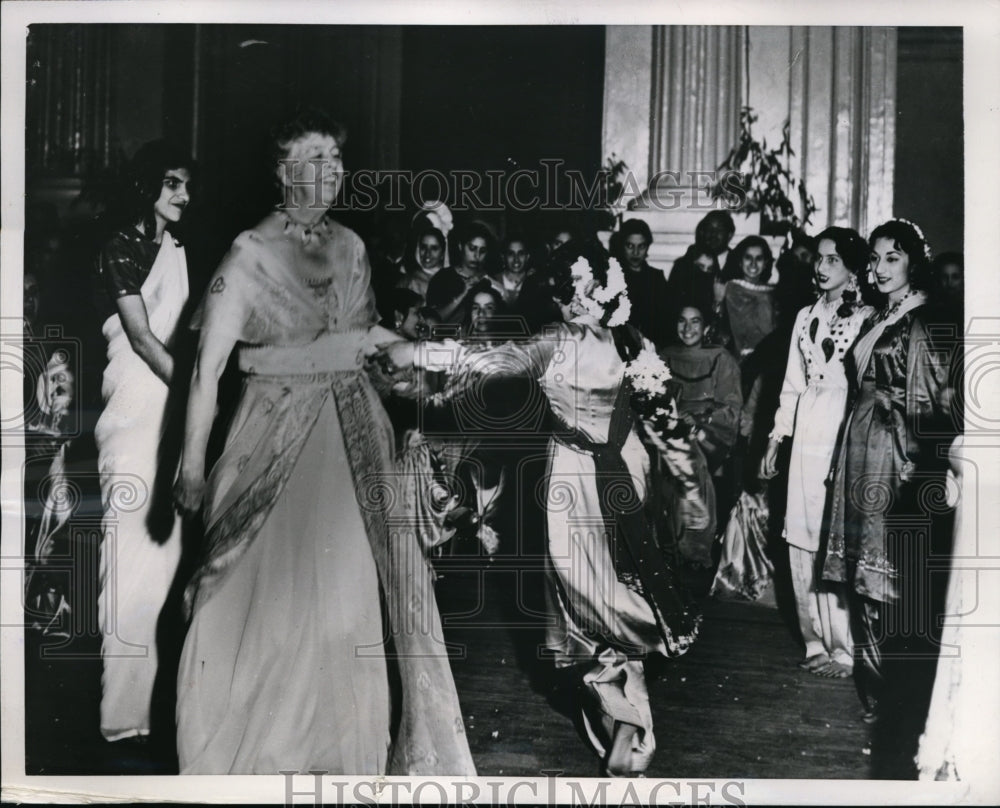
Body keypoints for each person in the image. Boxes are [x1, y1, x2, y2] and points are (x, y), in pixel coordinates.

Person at [171, 109, 474, 775]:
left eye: (335, 160)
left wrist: (422, 350)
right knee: (261, 599)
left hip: (351, 436)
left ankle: (340, 757)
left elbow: (366, 339)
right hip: (272, 434)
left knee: (343, 598)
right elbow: (207, 369)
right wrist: (192, 465)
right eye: (313, 160)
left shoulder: (353, 247)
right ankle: (246, 756)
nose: (329, 173)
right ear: (283, 172)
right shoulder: (249, 253)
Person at [383, 240, 704, 776]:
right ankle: (628, 710)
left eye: (571, 287)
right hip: (626, 470)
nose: (568, 297)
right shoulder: (631, 342)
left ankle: (620, 709)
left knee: (583, 594)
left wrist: (414, 352)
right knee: (619, 582)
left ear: (578, 291)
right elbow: (665, 420)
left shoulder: (560, 337)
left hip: (577, 477)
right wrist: (690, 486)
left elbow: (486, 359)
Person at [822, 219, 954, 726]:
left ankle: (889, 695)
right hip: (860, 447)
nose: (877, 268)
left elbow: (924, 403)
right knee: (863, 576)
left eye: (891, 258)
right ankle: (875, 686)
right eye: (874, 259)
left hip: (891, 456)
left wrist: (912, 466)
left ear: (913, 263)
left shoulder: (919, 321)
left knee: (885, 580)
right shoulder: (885, 314)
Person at [91, 140, 194, 742]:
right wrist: (197, 390)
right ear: (147, 185)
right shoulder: (118, 249)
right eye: (173, 183)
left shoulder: (178, 250)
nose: (185, 195)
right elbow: (141, 338)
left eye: (186, 185)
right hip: (134, 418)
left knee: (167, 567)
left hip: (173, 425)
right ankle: (121, 716)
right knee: (129, 564)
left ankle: (154, 713)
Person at [759, 227, 874, 678]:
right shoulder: (805, 315)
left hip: (842, 429)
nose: (820, 267)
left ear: (851, 269)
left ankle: (845, 647)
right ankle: (814, 640)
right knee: (801, 532)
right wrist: (775, 438)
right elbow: (791, 384)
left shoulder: (867, 316)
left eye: (831, 260)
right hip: (806, 430)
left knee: (835, 535)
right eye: (819, 259)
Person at [661, 302, 742, 566]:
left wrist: (698, 418)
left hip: (711, 430)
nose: (688, 328)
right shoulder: (663, 356)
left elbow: (731, 408)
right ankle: (662, 542)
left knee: (687, 454)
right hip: (669, 427)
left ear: (706, 327)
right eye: (682, 321)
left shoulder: (721, 358)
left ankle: (694, 546)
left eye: (695, 321)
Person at [613, 218, 671, 348]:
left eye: (641, 246)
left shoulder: (657, 278)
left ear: (648, 247)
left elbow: (666, 321)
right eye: (630, 246)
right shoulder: (613, 278)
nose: (635, 252)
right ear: (621, 246)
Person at [720, 235, 779, 360]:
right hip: (744, 357)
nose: (753, 263)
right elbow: (742, 330)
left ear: (765, 263)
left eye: (759, 258)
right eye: (748, 258)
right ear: (740, 262)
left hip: (771, 355)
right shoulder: (733, 288)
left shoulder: (773, 291)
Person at [425, 220, 494, 324]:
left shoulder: (489, 281)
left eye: (482, 251)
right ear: (461, 246)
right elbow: (431, 321)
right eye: (472, 248)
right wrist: (462, 295)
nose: (477, 255)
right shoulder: (442, 278)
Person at [395, 224, 446, 299]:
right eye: (423, 247)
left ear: (442, 253)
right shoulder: (409, 281)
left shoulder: (451, 278)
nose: (427, 253)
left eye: (434, 248)